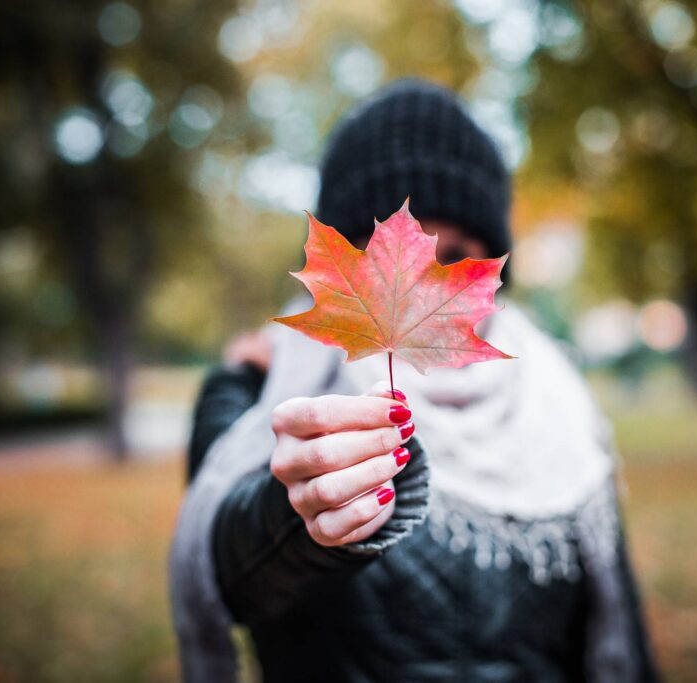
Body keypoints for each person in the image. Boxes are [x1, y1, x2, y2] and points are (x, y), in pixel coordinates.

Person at [169, 79, 658, 682]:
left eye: (452, 256)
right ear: (337, 269)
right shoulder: (257, 395)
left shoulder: (560, 404)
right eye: (388, 254)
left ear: (492, 269)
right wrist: (306, 516)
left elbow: (619, 638)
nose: (422, 285)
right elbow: (236, 567)